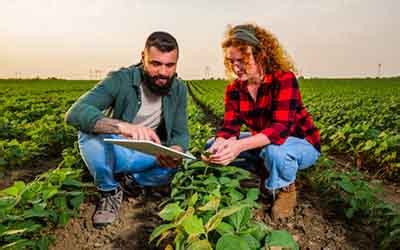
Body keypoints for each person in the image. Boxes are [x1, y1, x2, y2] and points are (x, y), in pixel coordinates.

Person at [65, 31, 189, 228]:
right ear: (143, 58)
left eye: (170, 65)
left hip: (150, 155)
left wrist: (176, 151)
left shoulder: (179, 89)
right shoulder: (121, 79)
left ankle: (131, 181)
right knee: (88, 136)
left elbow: (181, 134)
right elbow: (75, 113)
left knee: (185, 161)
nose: (163, 72)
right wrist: (122, 127)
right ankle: (109, 190)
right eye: (156, 64)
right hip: (120, 150)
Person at [202, 24, 320, 220]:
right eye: (231, 61)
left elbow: (280, 129)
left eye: (242, 60)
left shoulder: (284, 79)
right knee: (212, 145)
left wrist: (238, 146)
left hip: (300, 143)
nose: (236, 67)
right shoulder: (234, 89)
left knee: (275, 151)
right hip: (264, 141)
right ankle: (266, 171)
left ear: (261, 55)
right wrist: (218, 145)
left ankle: (286, 188)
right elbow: (230, 128)